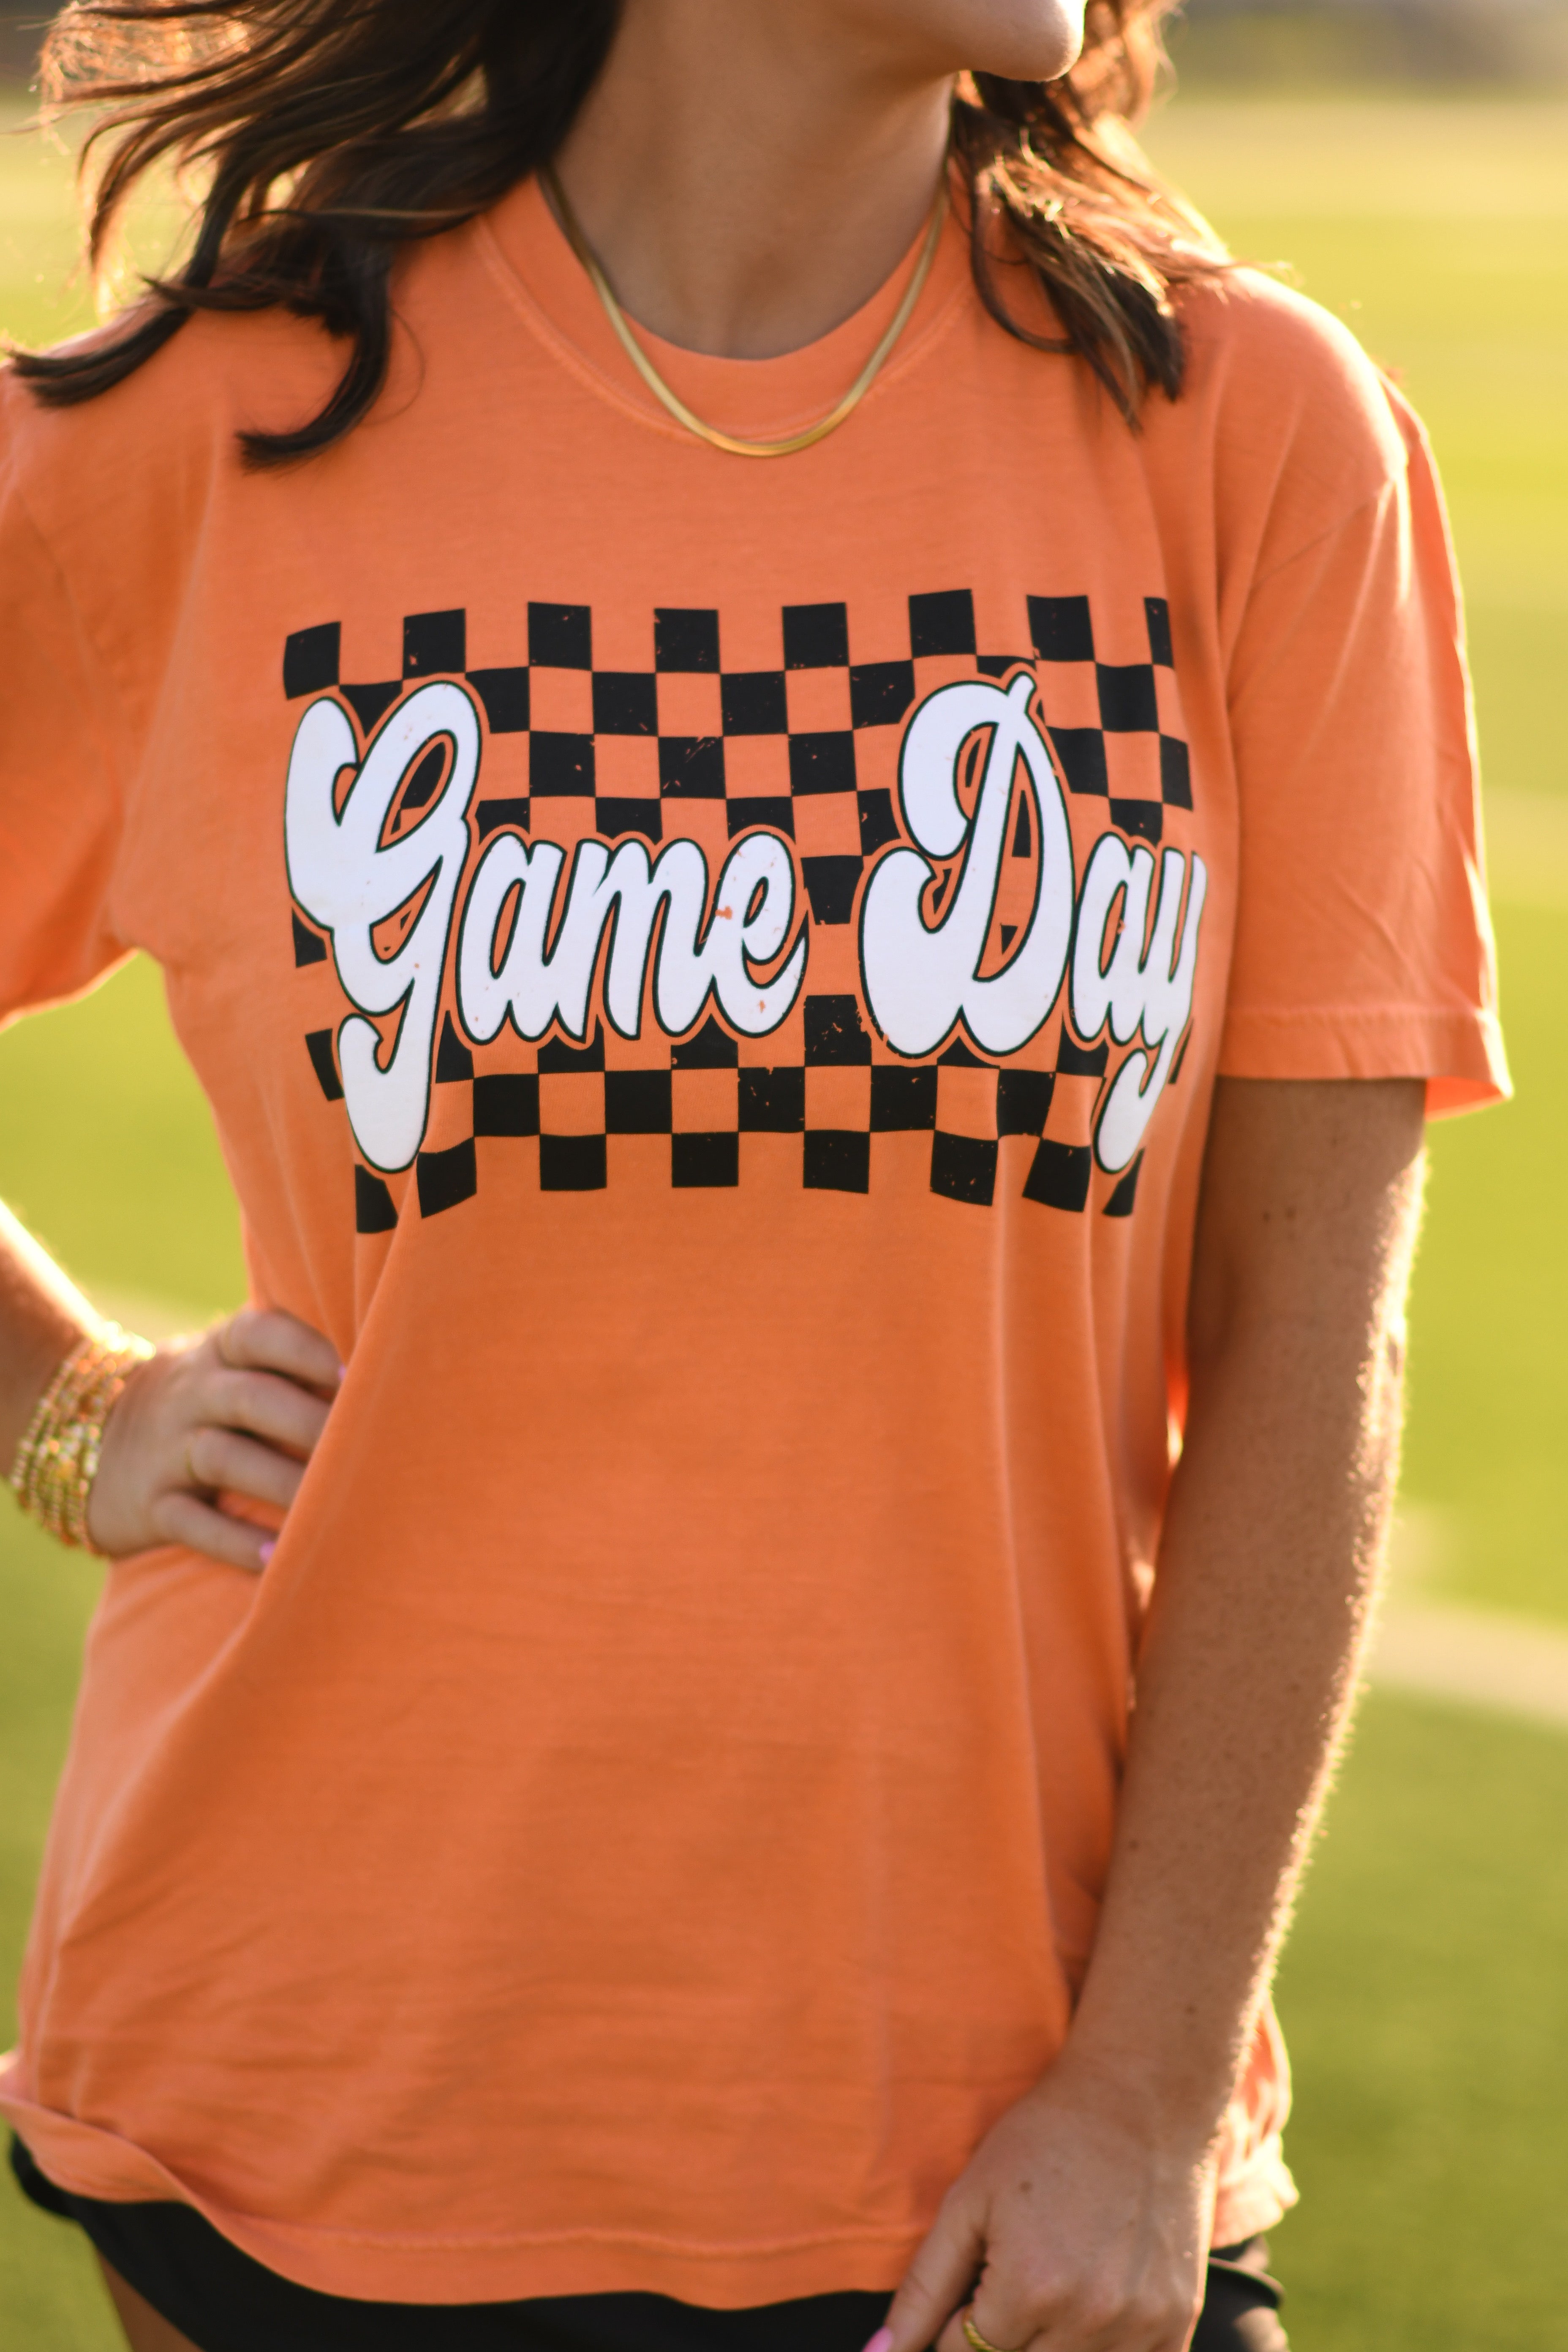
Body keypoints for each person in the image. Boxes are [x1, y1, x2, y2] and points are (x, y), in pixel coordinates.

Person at [0, 1, 1505, 2348]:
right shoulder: (223, 423)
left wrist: (1140, 2094)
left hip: (1010, 2187)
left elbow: (1321, 1342)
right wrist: (60, 1409)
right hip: (318, 2109)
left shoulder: (1254, 436)